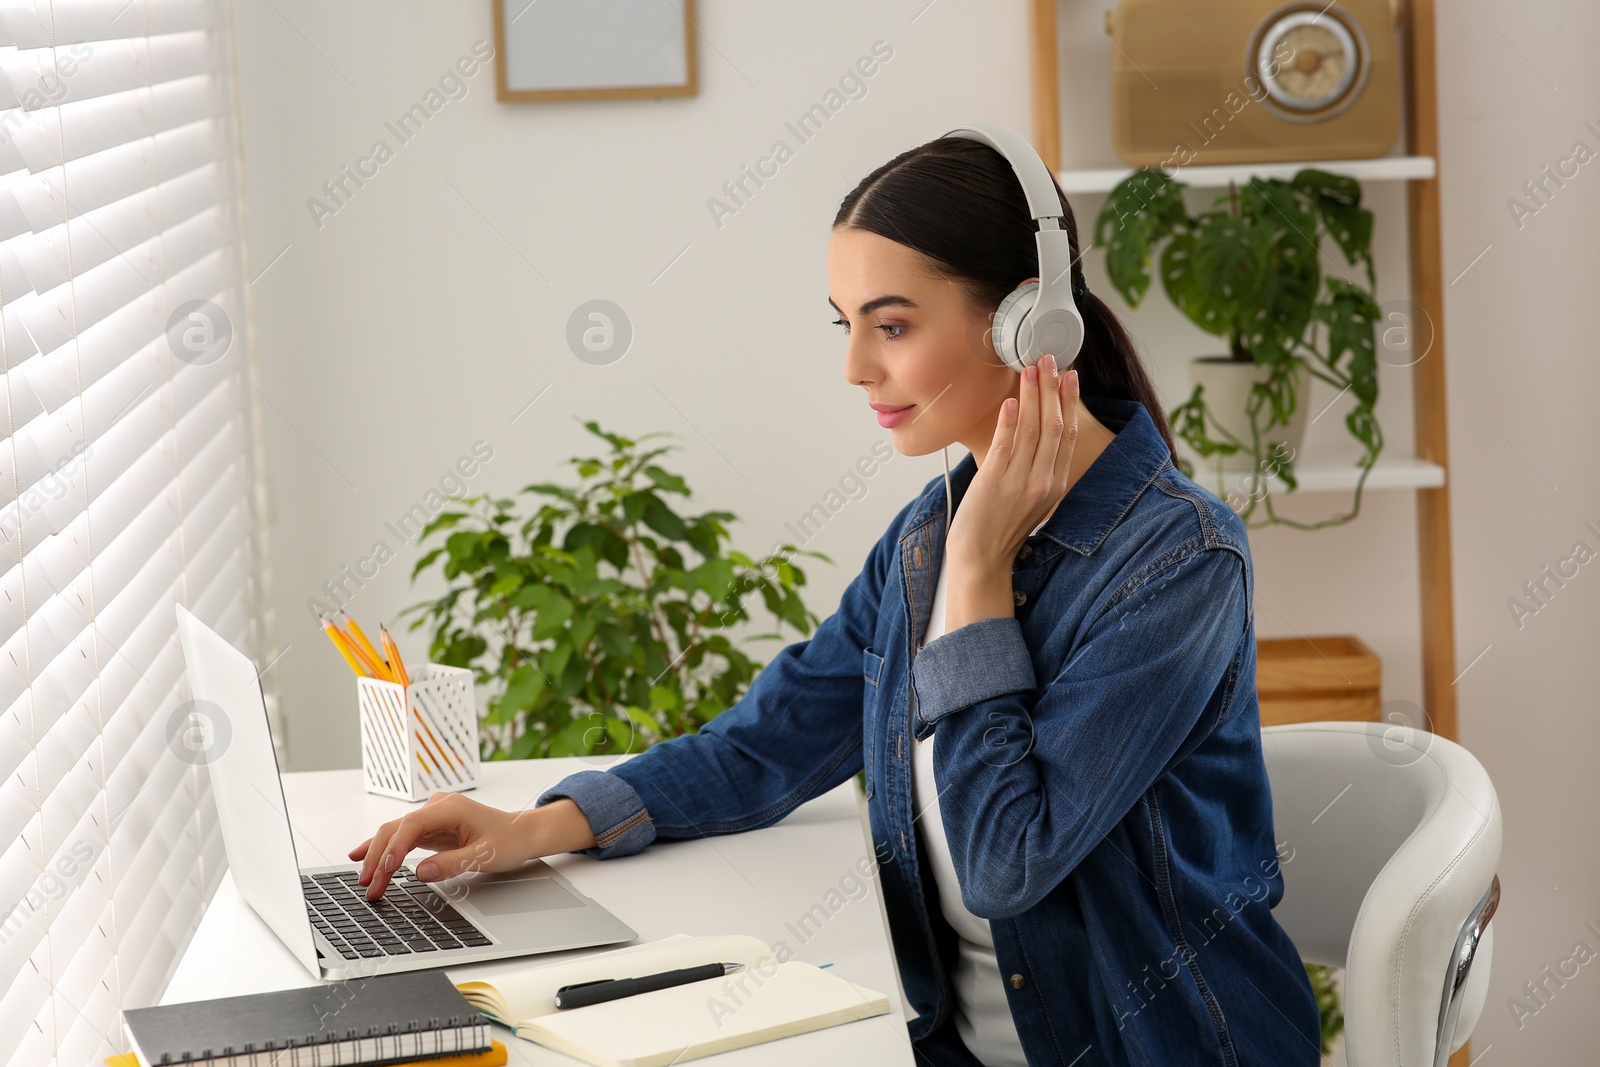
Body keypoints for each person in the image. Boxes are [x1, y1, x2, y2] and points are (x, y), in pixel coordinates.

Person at [349, 132, 1322, 1066]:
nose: (855, 369)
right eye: (845, 324)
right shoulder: (924, 539)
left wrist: (978, 576)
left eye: (891, 325)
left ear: (1031, 324)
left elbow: (1006, 861)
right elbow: (766, 740)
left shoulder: (1176, 561)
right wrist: (535, 826)